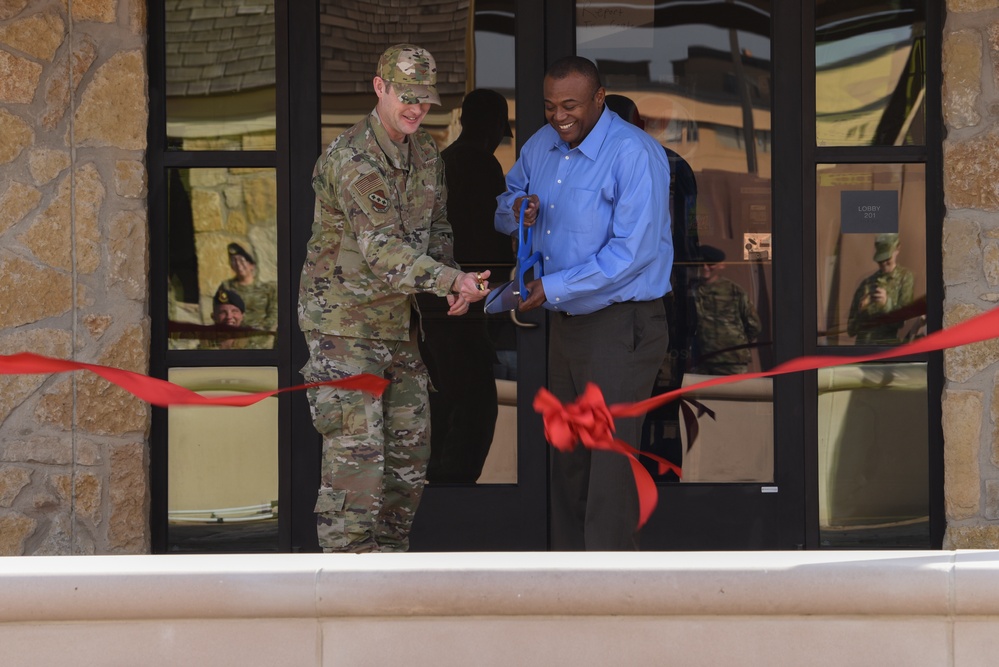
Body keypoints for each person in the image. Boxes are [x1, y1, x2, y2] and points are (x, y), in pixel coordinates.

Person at [297, 44, 490, 553]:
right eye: (407, 97)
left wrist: (449, 275)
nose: (416, 109)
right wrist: (451, 283)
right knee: (357, 467)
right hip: (345, 330)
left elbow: (437, 224)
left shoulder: (426, 153)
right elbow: (382, 251)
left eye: (425, 101)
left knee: (409, 465)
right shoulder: (353, 160)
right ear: (379, 87)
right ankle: (345, 581)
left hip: (399, 327)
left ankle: (387, 572)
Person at [495, 56, 673, 550]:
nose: (558, 116)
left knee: (609, 460)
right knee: (568, 453)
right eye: (550, 105)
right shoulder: (540, 145)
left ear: (599, 98)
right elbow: (506, 200)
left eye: (570, 105)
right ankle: (569, 573)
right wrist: (516, 209)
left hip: (622, 324)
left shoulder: (634, 154)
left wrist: (551, 288)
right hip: (568, 325)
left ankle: (611, 583)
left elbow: (631, 254)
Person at [418, 89, 514, 483]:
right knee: (474, 405)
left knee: (445, 400)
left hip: (435, 302)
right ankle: (453, 489)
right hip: (465, 299)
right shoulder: (480, 164)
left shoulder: (443, 163)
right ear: (491, 126)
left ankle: (440, 486)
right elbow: (485, 236)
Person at [689, 245, 762, 375]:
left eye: (710, 264)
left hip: (731, 361)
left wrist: (734, 343)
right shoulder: (691, 291)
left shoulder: (734, 291)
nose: (705, 267)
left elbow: (754, 325)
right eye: (701, 263)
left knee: (735, 394)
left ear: (720, 265)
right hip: (702, 360)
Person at [847, 233, 915, 345]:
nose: (883, 263)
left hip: (886, 349)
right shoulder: (867, 283)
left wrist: (886, 304)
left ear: (897, 249)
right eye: (880, 260)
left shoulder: (905, 277)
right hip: (863, 350)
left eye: (887, 258)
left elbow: (903, 323)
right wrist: (861, 311)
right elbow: (851, 330)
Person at [218, 242, 278, 346]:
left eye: (242, 260)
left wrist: (258, 335)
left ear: (251, 265)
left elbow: (274, 314)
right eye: (234, 261)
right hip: (235, 341)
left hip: (263, 341)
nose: (238, 265)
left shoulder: (268, 289)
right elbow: (221, 313)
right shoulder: (226, 287)